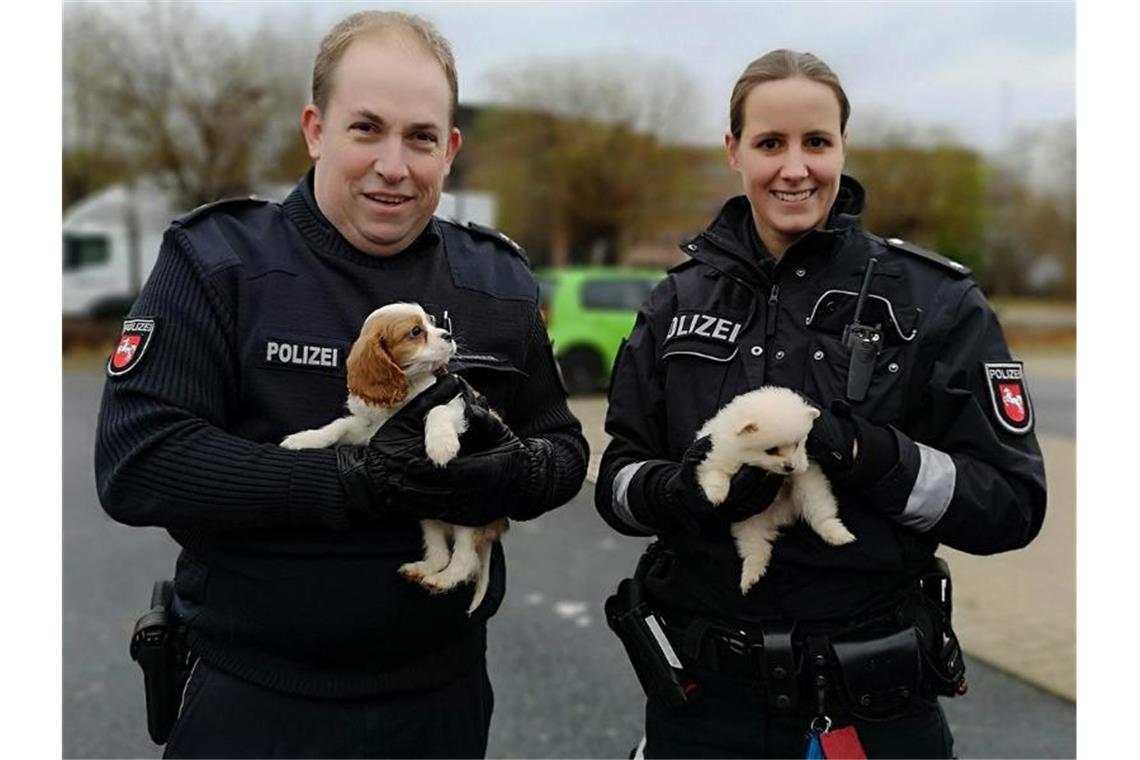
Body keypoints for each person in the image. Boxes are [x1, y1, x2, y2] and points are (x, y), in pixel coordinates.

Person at [95, 11, 587, 759]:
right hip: (253, 701)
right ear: (315, 129)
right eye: (366, 129)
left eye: (421, 137)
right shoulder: (216, 261)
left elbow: (563, 448)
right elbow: (139, 461)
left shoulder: (498, 281)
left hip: (438, 706)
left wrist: (514, 473)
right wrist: (350, 480)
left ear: (450, 150)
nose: (395, 164)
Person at [596, 49, 1046, 759]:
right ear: (733, 152)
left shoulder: (935, 301)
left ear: (843, 146)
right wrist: (681, 492)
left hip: (873, 712)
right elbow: (617, 481)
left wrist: (872, 454)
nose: (794, 168)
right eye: (769, 143)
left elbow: (1012, 505)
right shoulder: (674, 301)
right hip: (704, 710)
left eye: (816, 142)